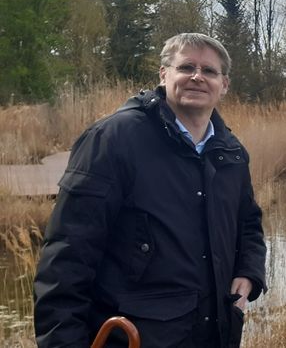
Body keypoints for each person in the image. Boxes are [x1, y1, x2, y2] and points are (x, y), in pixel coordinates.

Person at [34, 33, 267, 347]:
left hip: (216, 333)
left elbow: (248, 222)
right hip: (136, 336)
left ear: (224, 84)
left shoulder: (230, 152)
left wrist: (249, 272)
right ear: (164, 74)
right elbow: (67, 256)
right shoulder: (115, 139)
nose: (197, 77)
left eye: (209, 71)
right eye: (186, 67)